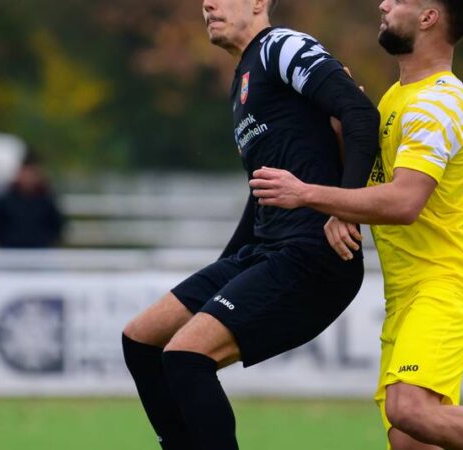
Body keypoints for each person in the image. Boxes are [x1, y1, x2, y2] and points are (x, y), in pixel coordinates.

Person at [249, 1, 463, 449]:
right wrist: (340, 133)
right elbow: (374, 185)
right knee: (408, 439)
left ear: (428, 18)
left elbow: (404, 202)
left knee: (409, 409)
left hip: (445, 284)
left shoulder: (439, 102)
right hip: (405, 292)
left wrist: (305, 193)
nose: (383, 3)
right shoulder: (396, 98)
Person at [121, 0, 380, 448]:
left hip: (312, 256)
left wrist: (346, 208)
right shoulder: (244, 77)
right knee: (141, 341)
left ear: (259, 2)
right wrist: (221, 275)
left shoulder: (282, 47)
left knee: (185, 357)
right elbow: (261, 192)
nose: (207, 5)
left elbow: (361, 114)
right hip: (266, 249)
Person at [0, 151, 64, 248]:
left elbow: (56, 226)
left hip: (40, 251)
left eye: (31, 174)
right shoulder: (4, 200)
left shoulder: (47, 200)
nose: (28, 178)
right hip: (9, 251)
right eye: (26, 173)